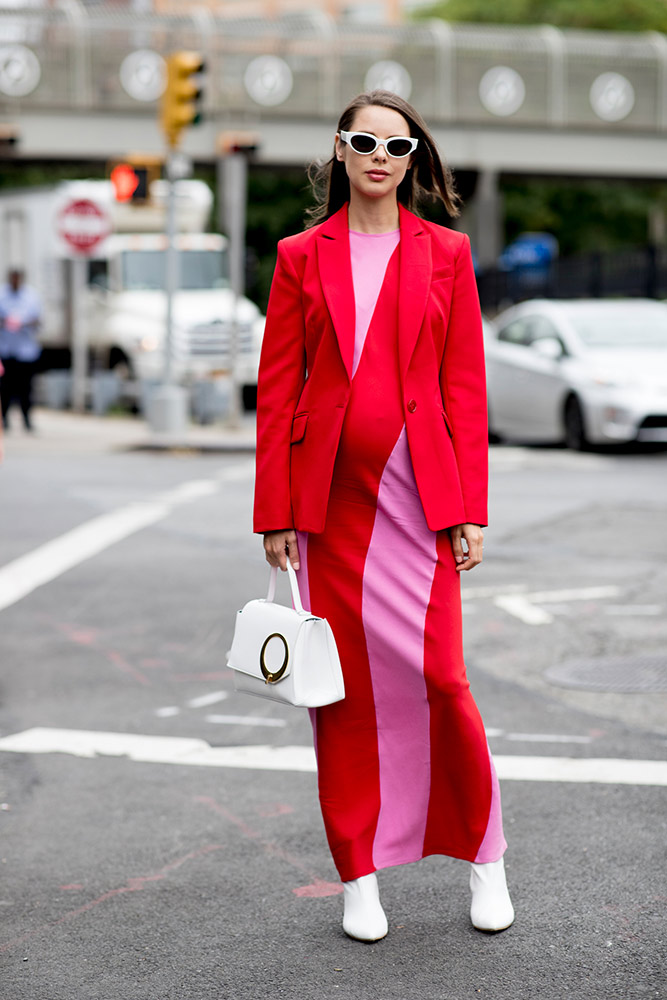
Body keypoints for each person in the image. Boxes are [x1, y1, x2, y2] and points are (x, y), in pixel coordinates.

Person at [254, 90, 514, 942]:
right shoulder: (300, 255)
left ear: (411, 159)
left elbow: (463, 386)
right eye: (362, 141)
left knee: (443, 681)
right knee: (346, 697)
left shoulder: (444, 251)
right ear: (339, 151)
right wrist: (275, 514)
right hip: (330, 506)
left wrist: (469, 504)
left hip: (419, 504)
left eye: (394, 145)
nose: (378, 156)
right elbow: (279, 391)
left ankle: (485, 855)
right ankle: (360, 875)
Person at [0, 269, 43, 431]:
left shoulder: (31, 296)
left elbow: (39, 320)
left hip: (26, 350)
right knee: (5, 388)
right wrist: (7, 322)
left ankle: (27, 420)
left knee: (26, 388)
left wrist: (23, 323)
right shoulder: (2, 295)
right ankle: (3, 419)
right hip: (6, 349)